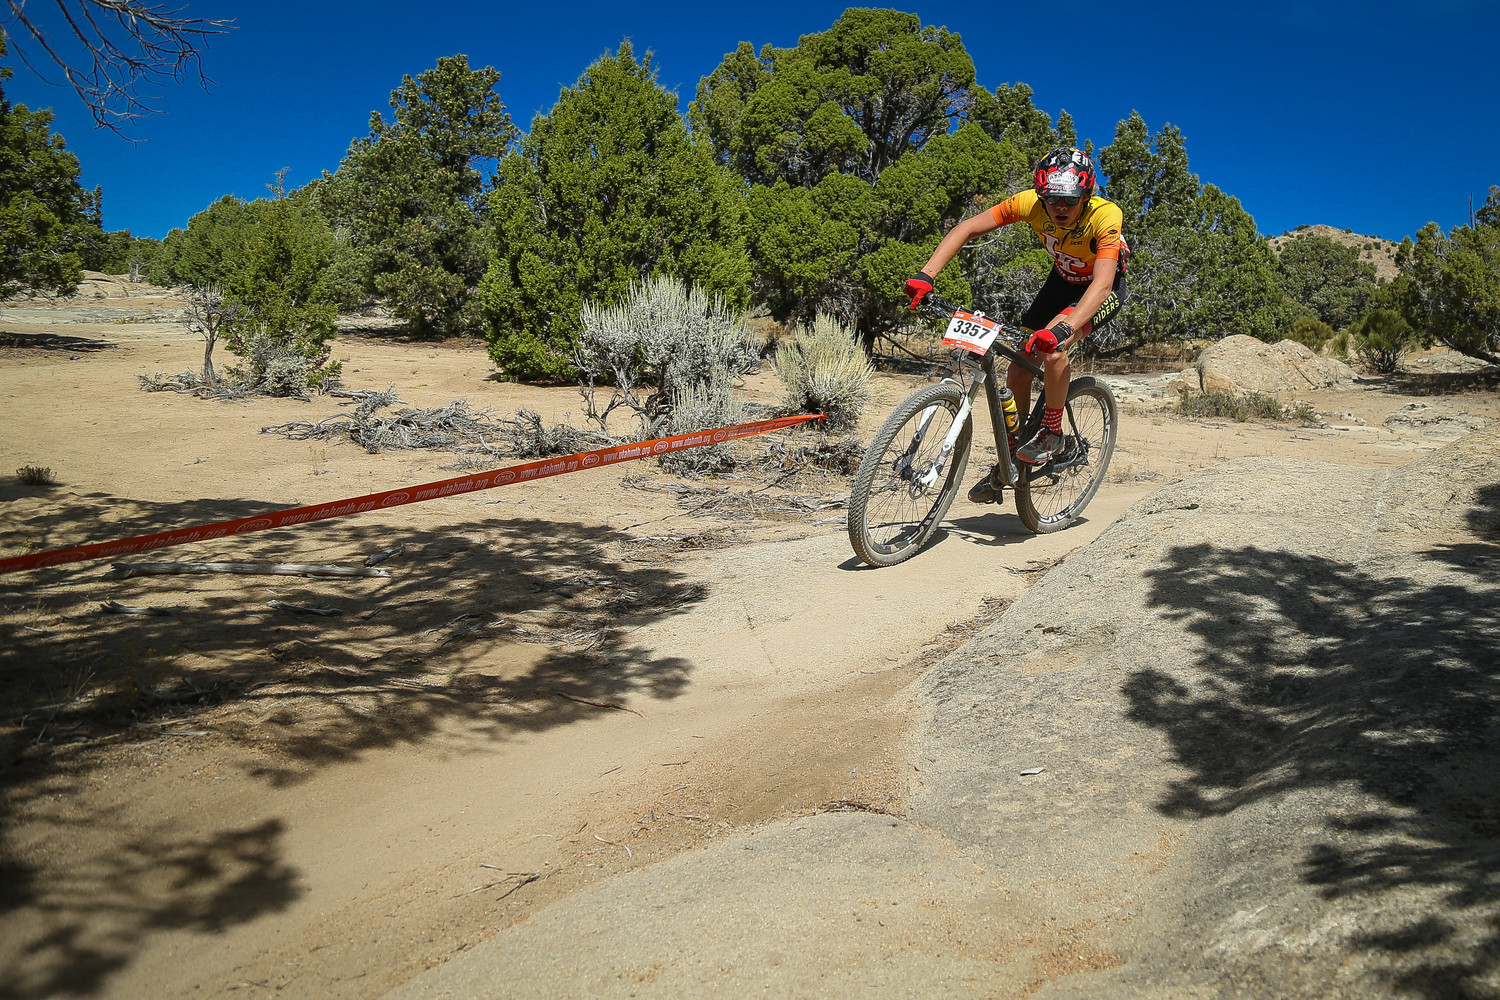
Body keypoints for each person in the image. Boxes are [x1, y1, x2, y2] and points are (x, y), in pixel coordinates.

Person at [904, 147, 1128, 504]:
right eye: (1051, 198)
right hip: (1061, 282)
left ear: (1086, 196)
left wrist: (1063, 330)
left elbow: (1101, 284)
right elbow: (968, 228)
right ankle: (1017, 448)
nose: (1060, 207)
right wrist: (926, 275)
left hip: (1102, 288)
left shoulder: (1106, 215)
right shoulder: (1028, 203)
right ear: (1041, 195)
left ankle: (1052, 430)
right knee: (1020, 369)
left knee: (1054, 349)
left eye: (1070, 200)